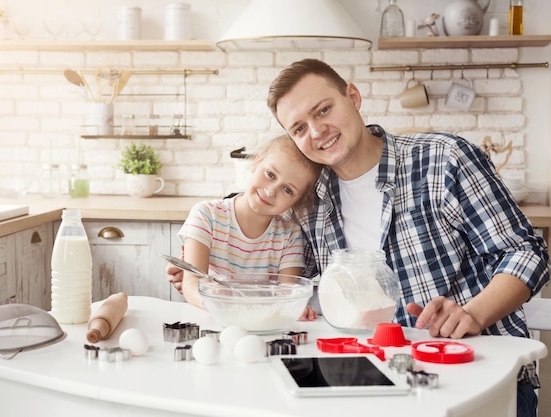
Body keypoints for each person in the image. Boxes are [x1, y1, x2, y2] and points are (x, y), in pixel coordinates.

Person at [169, 58, 549, 416]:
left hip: (475, 373)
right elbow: (293, 280)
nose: (317, 132)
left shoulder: (444, 160)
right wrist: (209, 262)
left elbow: (525, 251)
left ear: (352, 97)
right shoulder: (310, 200)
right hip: (368, 380)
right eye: (299, 128)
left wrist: (471, 313)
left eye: (323, 110)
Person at [177, 133, 322, 315]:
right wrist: (212, 299)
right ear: (256, 162)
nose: (270, 191)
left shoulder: (290, 235)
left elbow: (287, 292)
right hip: (211, 317)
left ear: (298, 201)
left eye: (288, 190)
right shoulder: (206, 215)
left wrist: (293, 307)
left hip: (261, 322)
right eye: (270, 174)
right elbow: (191, 283)